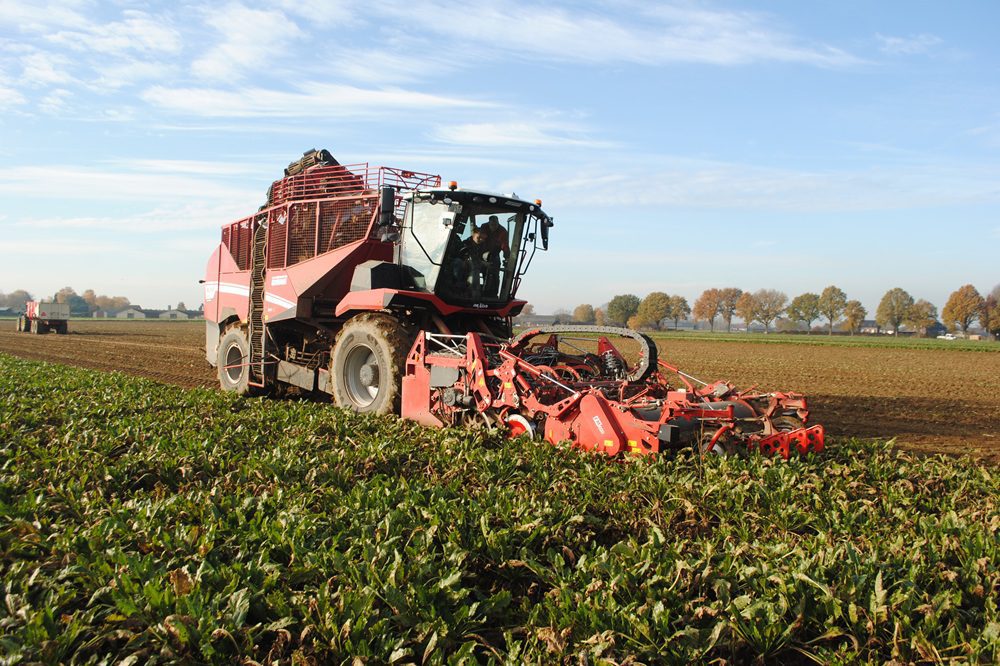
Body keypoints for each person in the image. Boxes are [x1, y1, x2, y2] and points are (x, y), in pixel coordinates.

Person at [482, 215, 509, 297]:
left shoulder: (503, 231)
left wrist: (507, 258)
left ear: (498, 223)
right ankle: (480, 290)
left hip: (494, 253)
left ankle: (494, 294)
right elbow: (479, 238)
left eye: (496, 225)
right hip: (481, 251)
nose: (494, 227)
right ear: (488, 223)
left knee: (495, 271)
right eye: (492, 225)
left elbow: (505, 245)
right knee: (480, 268)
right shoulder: (484, 227)